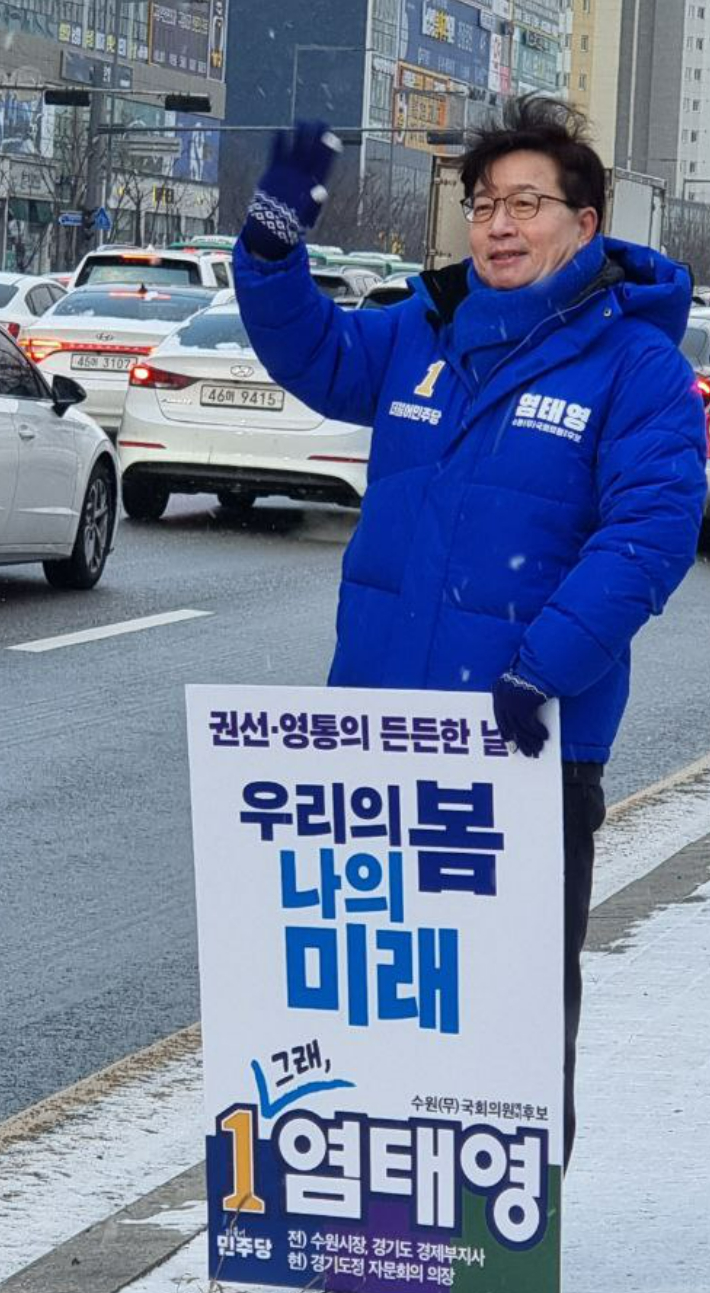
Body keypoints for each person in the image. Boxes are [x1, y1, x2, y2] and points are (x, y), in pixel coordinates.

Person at [233, 97, 707, 1169]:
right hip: (376, 750)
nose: (498, 224)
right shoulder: (419, 334)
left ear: (583, 226)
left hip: (522, 752)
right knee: (374, 1012)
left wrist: (536, 673)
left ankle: (498, 1252)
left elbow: (648, 533)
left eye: (525, 203)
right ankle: (376, 1244)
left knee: (508, 1027)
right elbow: (311, 351)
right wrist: (269, 247)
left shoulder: (633, 371)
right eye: (483, 203)